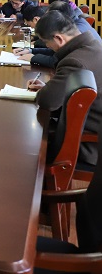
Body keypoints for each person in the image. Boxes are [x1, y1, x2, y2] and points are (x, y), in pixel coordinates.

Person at [27, 11, 102, 167]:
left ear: (59, 39)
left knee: (27, 146)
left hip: (86, 145)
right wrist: (51, 87)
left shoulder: (74, 61)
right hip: (91, 130)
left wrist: (46, 91)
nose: (47, 46)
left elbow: (47, 101)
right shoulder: (94, 45)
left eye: (46, 42)